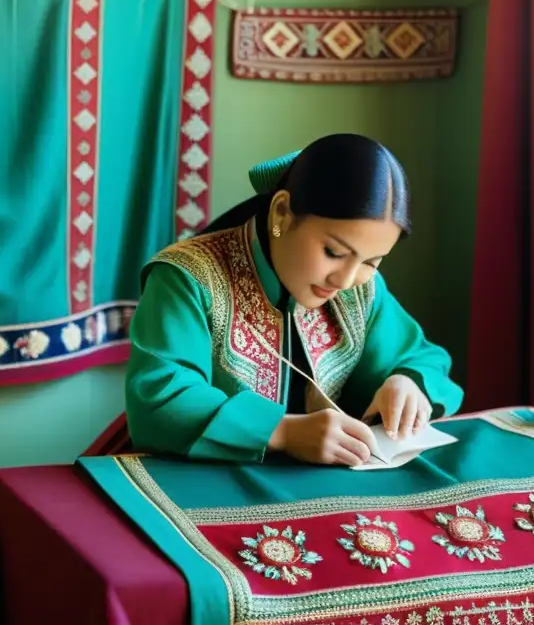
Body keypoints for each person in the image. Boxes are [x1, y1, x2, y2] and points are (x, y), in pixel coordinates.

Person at [124, 133, 463, 467]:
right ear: (282, 212)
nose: (345, 279)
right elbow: (162, 398)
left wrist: (407, 381)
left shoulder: (360, 287)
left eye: (371, 262)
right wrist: (283, 432)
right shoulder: (188, 277)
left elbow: (421, 356)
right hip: (201, 479)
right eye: (333, 252)